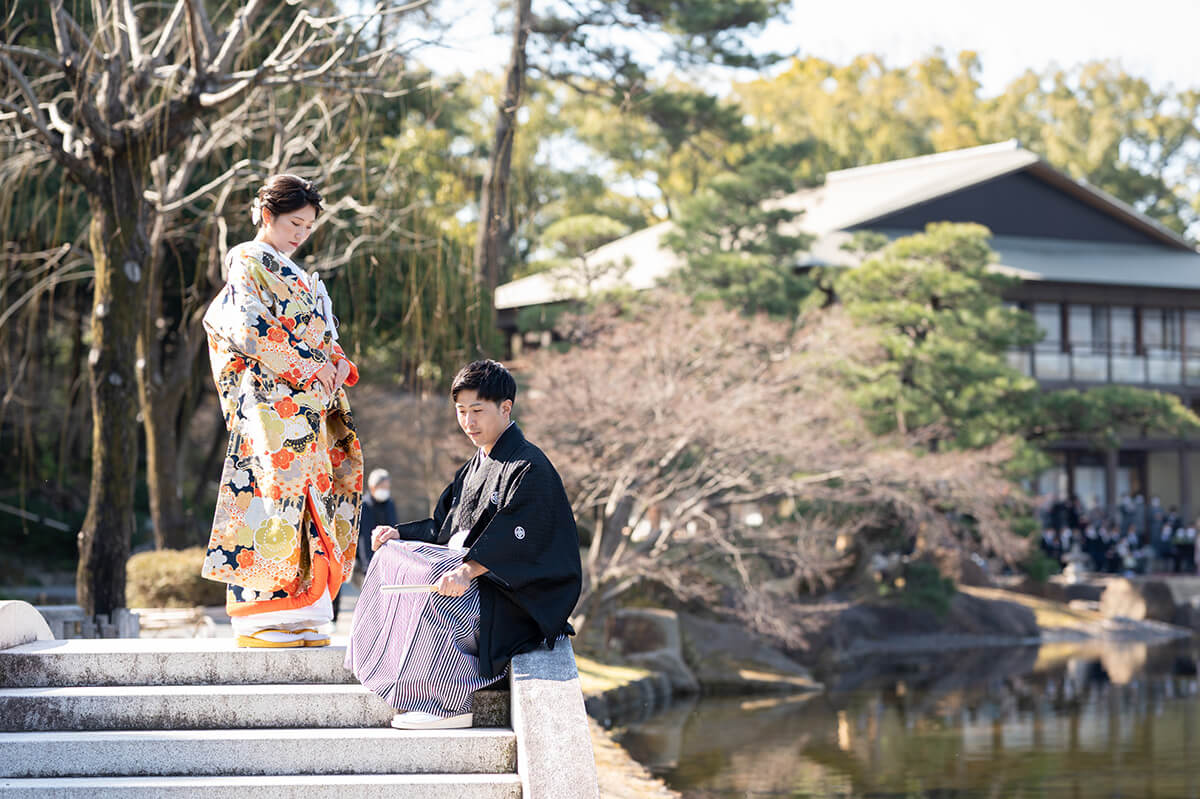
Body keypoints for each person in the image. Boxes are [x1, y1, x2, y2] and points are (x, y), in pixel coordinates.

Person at [345, 359, 581, 730]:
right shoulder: (473, 466)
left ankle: (449, 704)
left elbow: (519, 538)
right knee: (391, 557)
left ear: (506, 408)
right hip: (474, 575)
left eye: (477, 411)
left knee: (440, 587)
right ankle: (385, 668)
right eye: (461, 412)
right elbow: (443, 525)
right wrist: (398, 534)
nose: (468, 422)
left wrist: (467, 570)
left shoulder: (529, 466)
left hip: (516, 598)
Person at [200, 174, 363, 648]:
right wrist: (313, 367)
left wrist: (334, 364)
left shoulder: (301, 276)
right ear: (266, 215)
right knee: (272, 500)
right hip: (272, 406)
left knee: (312, 505)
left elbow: (325, 338)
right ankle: (259, 617)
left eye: (309, 227)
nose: (300, 234)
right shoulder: (246, 261)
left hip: (307, 407)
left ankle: (304, 615)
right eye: (294, 223)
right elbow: (247, 326)